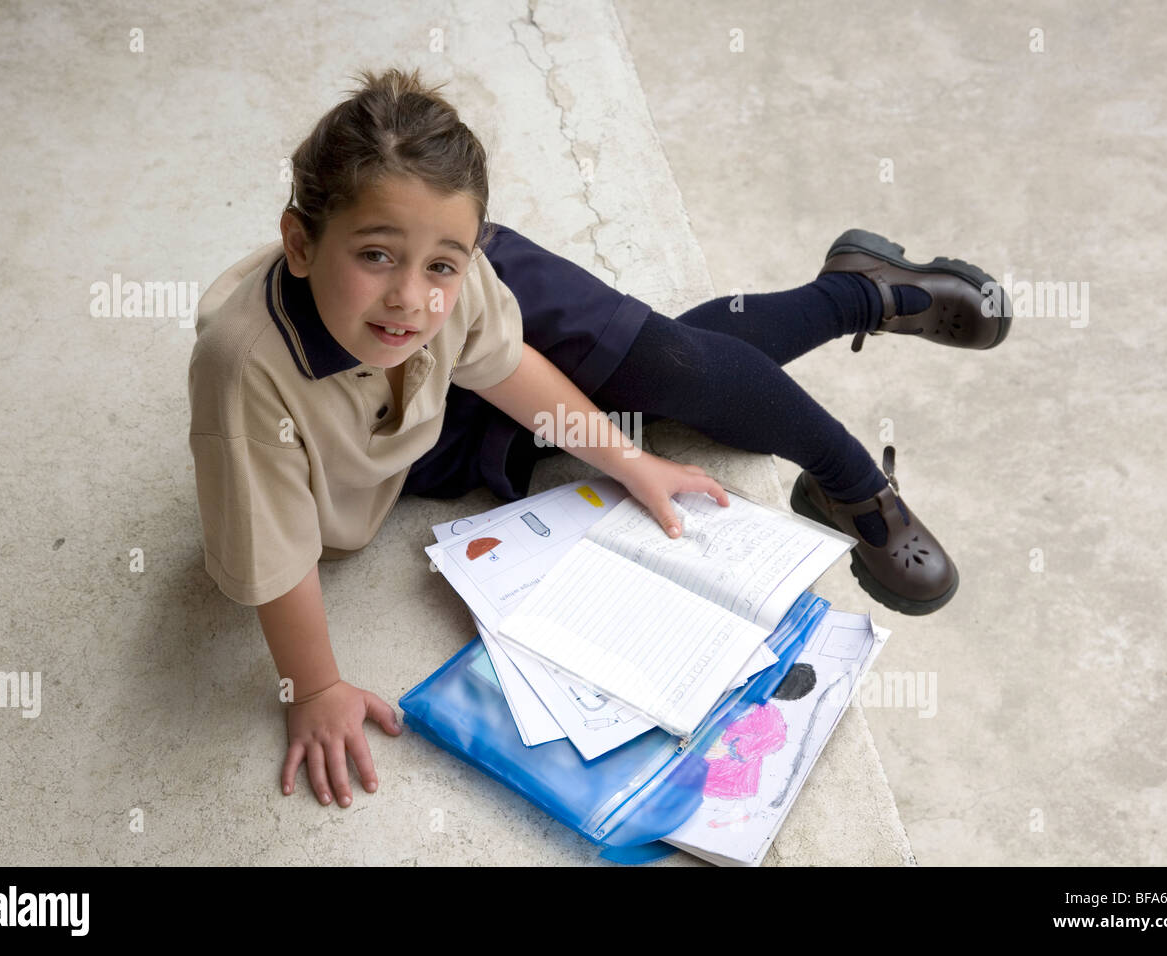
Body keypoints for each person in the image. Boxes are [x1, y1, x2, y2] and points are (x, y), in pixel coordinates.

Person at [187, 66, 1008, 810]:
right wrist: (315, 686)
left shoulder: (448, 282)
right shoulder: (250, 378)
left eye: (440, 263)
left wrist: (628, 461)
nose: (408, 295)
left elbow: (506, 368)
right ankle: (852, 290)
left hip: (465, 334)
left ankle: (852, 476)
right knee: (640, 402)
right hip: (407, 431)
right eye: (375, 256)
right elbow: (278, 553)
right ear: (300, 243)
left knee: (668, 371)